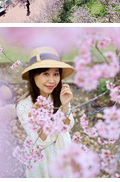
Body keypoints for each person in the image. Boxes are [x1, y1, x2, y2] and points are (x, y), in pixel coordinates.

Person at [15, 46, 75, 177]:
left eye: (56, 74)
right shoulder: (24, 106)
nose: (52, 80)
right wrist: (39, 122)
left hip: (63, 147)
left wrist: (65, 106)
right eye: (46, 74)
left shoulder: (59, 95)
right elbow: (41, 141)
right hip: (43, 156)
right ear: (33, 76)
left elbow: (68, 126)